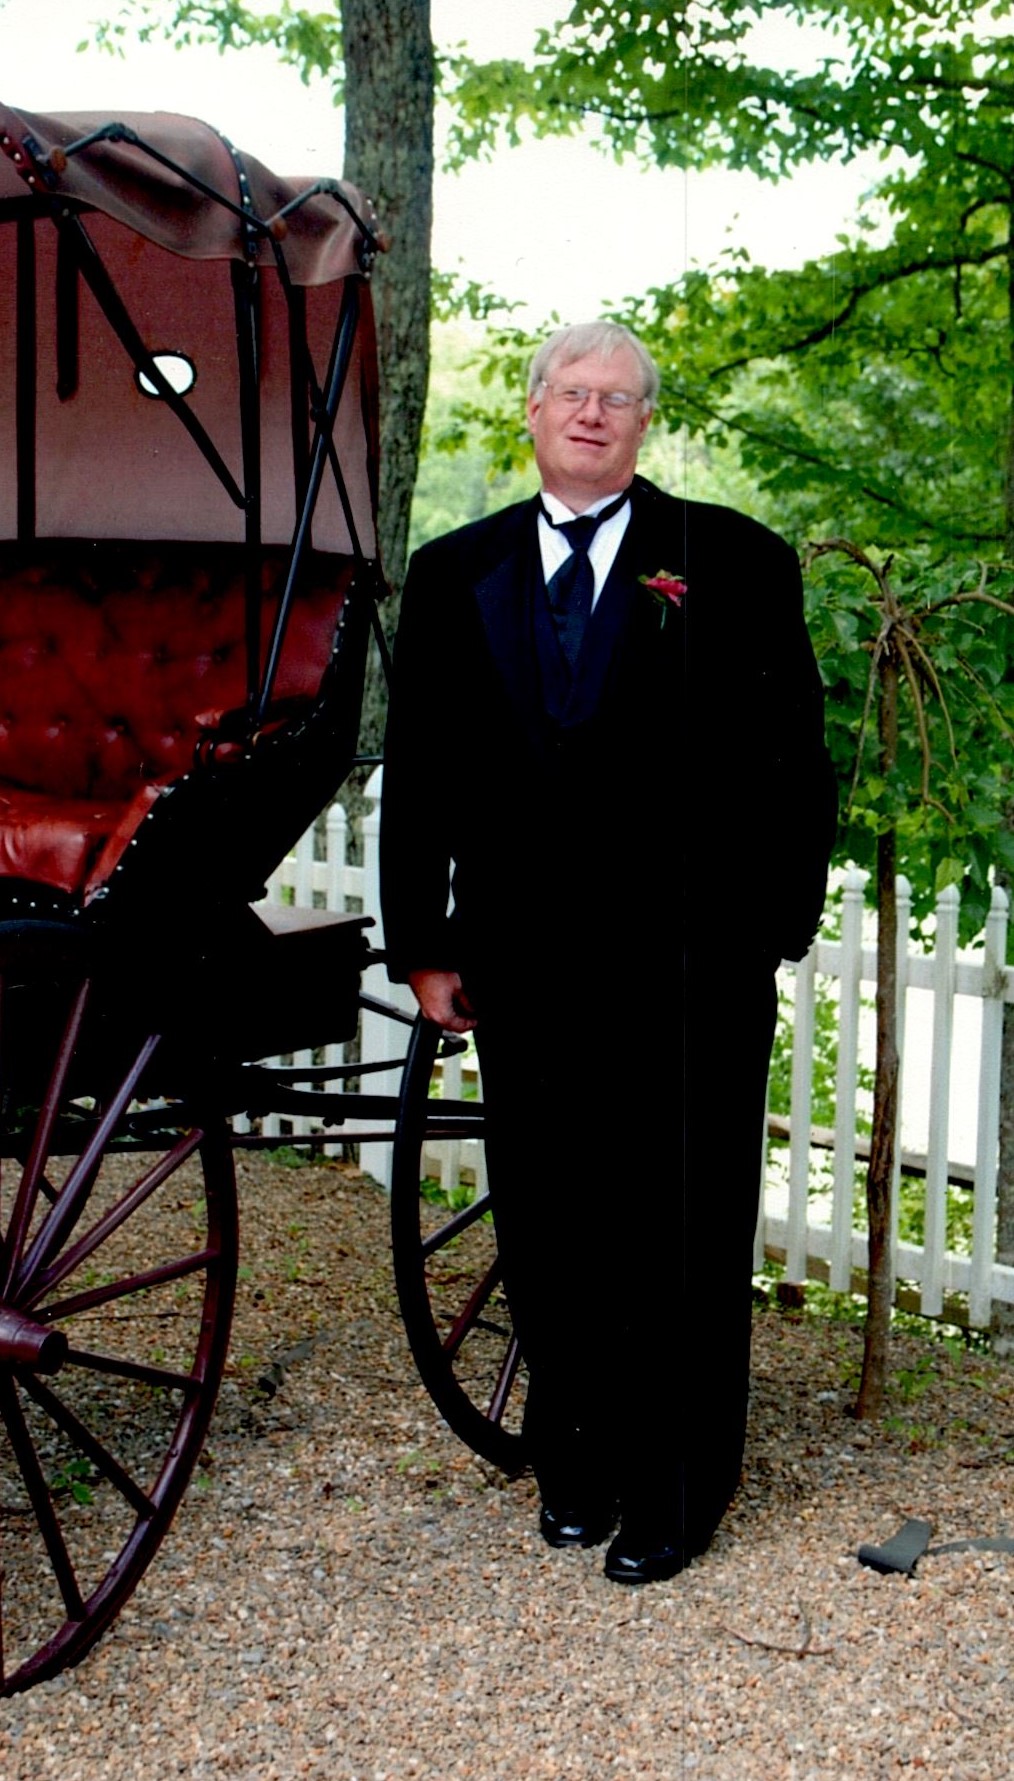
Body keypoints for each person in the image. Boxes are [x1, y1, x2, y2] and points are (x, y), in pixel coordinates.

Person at [380, 321, 837, 1584]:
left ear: (644, 423)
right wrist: (423, 941)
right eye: (572, 393)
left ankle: (677, 1492)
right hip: (521, 964)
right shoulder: (453, 571)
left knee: (678, 1228)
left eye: (618, 398)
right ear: (533, 411)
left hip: (692, 969)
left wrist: (774, 926)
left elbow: (794, 756)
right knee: (549, 1221)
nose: (592, 413)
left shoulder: (729, 558)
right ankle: (574, 1463)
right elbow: (420, 770)